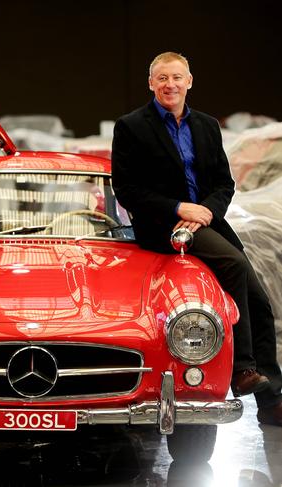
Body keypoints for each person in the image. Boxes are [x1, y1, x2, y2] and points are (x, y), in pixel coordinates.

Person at [111, 51, 282, 426]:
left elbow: (224, 183)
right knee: (235, 264)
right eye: (161, 78)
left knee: (259, 303)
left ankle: (271, 403)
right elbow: (126, 189)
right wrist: (178, 209)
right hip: (162, 227)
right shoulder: (131, 126)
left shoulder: (206, 125)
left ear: (189, 81)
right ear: (151, 84)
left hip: (206, 223)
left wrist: (204, 213)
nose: (169, 85)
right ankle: (241, 370)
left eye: (176, 77)